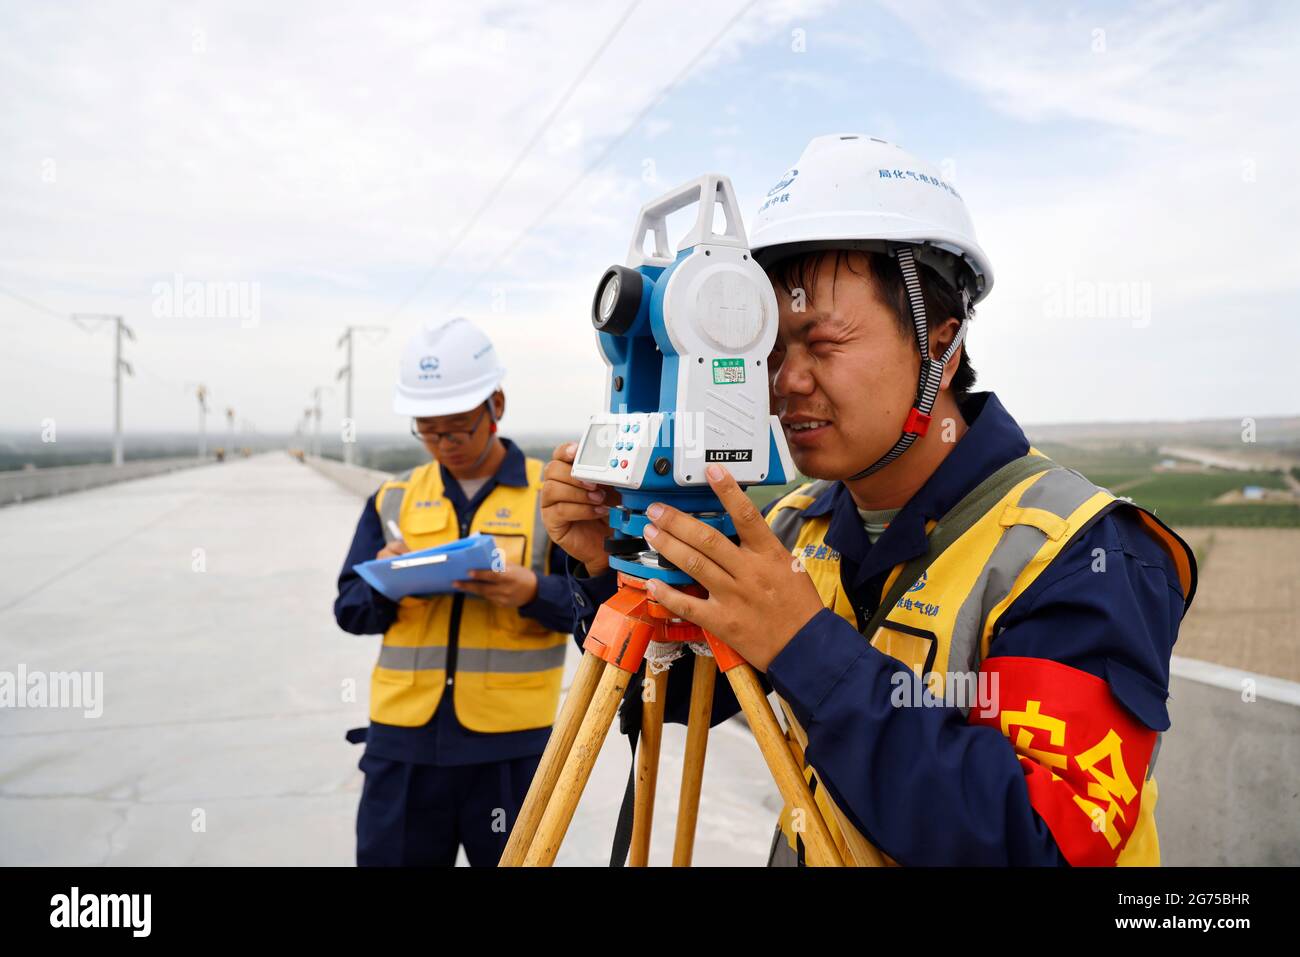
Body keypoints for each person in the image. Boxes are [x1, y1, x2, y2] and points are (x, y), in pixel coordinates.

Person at [541, 134, 1196, 866]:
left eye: (821, 342)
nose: (785, 381)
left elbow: (1039, 844)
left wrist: (806, 646)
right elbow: (696, 690)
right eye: (769, 349)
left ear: (940, 340)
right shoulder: (794, 526)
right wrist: (617, 564)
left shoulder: (1079, 554)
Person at [335, 316, 578, 866]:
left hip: (509, 753)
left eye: (458, 428)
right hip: (403, 747)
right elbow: (349, 610)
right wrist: (385, 583)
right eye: (428, 430)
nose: (444, 444)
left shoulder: (552, 496)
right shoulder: (392, 498)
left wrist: (533, 591)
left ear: (496, 405)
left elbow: (594, 610)